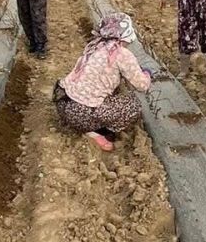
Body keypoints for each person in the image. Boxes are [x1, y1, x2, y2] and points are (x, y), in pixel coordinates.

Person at [53, 12, 154, 152]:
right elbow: (142, 85)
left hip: (63, 103)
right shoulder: (122, 54)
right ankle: (97, 132)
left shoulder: (95, 45)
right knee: (133, 106)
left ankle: (86, 125)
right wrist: (147, 74)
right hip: (83, 114)